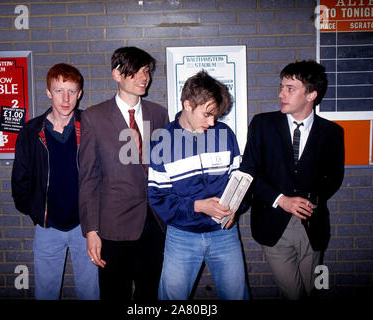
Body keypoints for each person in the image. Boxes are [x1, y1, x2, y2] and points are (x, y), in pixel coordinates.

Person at [240, 60, 345, 299]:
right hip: (273, 224)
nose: (281, 94)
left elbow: (335, 177)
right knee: (294, 293)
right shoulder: (262, 124)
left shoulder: (332, 132)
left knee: (315, 289)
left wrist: (309, 199)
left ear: (311, 95)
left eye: (290, 88)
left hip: (313, 226)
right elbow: (248, 171)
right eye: (281, 87)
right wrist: (281, 199)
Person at [148, 70, 249, 300]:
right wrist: (198, 206)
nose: (212, 122)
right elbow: (157, 197)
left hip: (224, 233)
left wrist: (234, 209)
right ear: (187, 105)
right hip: (182, 236)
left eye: (216, 115)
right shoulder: (161, 141)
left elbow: (239, 181)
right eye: (207, 114)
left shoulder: (225, 134)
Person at [78, 46, 169, 300]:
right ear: (117, 74)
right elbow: (88, 178)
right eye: (136, 72)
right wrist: (91, 230)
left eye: (147, 71)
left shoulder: (159, 114)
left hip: (154, 224)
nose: (144, 78)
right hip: (113, 226)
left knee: (149, 294)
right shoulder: (94, 117)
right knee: (113, 294)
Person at [11, 63, 99, 300]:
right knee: (46, 293)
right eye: (59, 90)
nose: (66, 98)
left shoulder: (91, 126)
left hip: (86, 227)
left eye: (71, 91)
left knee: (91, 293)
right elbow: (20, 179)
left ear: (80, 93)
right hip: (47, 227)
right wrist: (36, 212)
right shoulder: (31, 131)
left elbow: (103, 173)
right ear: (49, 92)